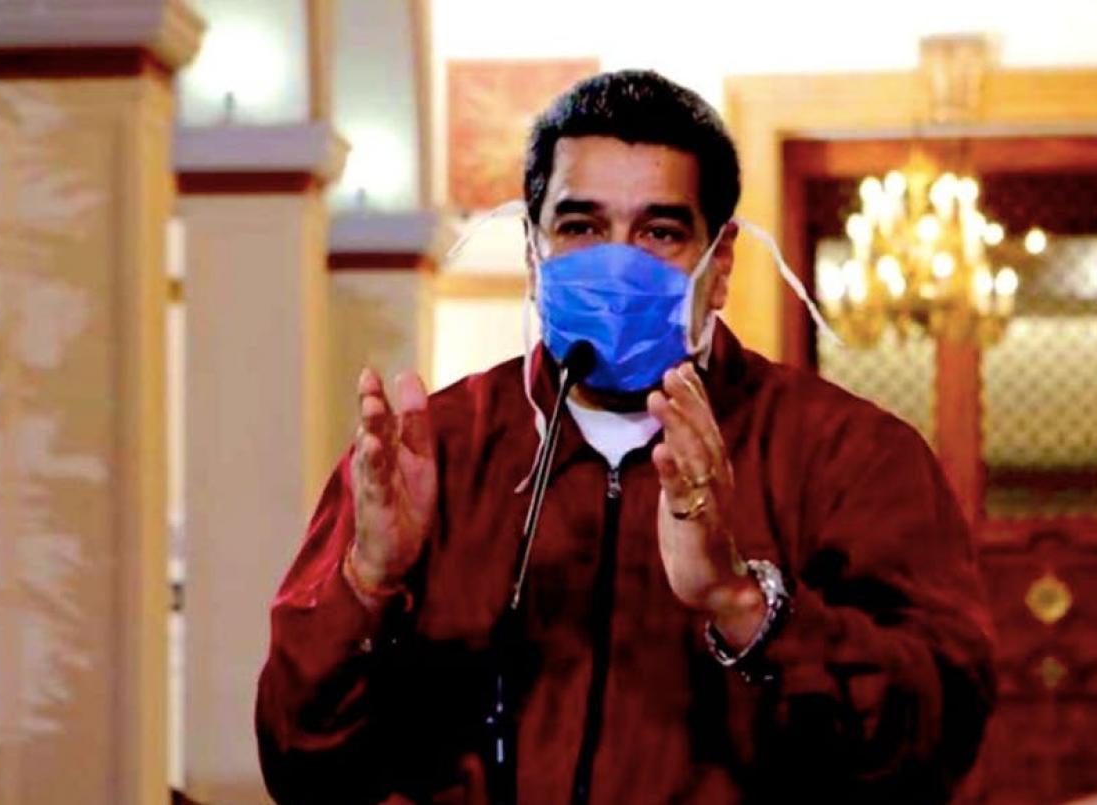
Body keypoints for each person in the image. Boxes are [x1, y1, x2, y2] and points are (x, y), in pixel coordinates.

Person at [256, 69, 994, 804]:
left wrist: (741, 601)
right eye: (581, 227)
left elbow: (938, 741)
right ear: (533, 251)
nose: (617, 263)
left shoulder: (850, 455)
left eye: (659, 232)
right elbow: (300, 766)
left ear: (720, 263)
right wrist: (369, 582)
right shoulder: (432, 451)